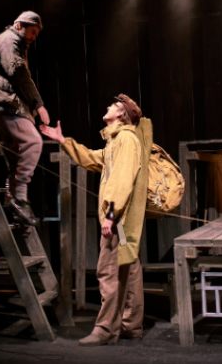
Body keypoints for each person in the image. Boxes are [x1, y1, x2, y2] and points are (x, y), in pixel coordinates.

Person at [40, 94, 150, 346]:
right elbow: (91, 158)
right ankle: (131, 325)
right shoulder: (116, 141)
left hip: (119, 219)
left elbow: (122, 181)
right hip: (124, 219)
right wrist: (63, 141)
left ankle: (105, 330)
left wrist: (110, 215)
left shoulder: (126, 139)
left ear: (120, 114)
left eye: (113, 105)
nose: (108, 106)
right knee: (130, 269)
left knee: (108, 272)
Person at [0, 11, 50, 226]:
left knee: (17, 152)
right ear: (20, 25)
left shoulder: (14, 43)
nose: (34, 37)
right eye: (32, 31)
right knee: (33, 142)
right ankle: (18, 198)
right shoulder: (9, 41)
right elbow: (18, 71)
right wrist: (38, 105)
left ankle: (13, 198)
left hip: (4, 102)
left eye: (37, 34)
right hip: (4, 103)